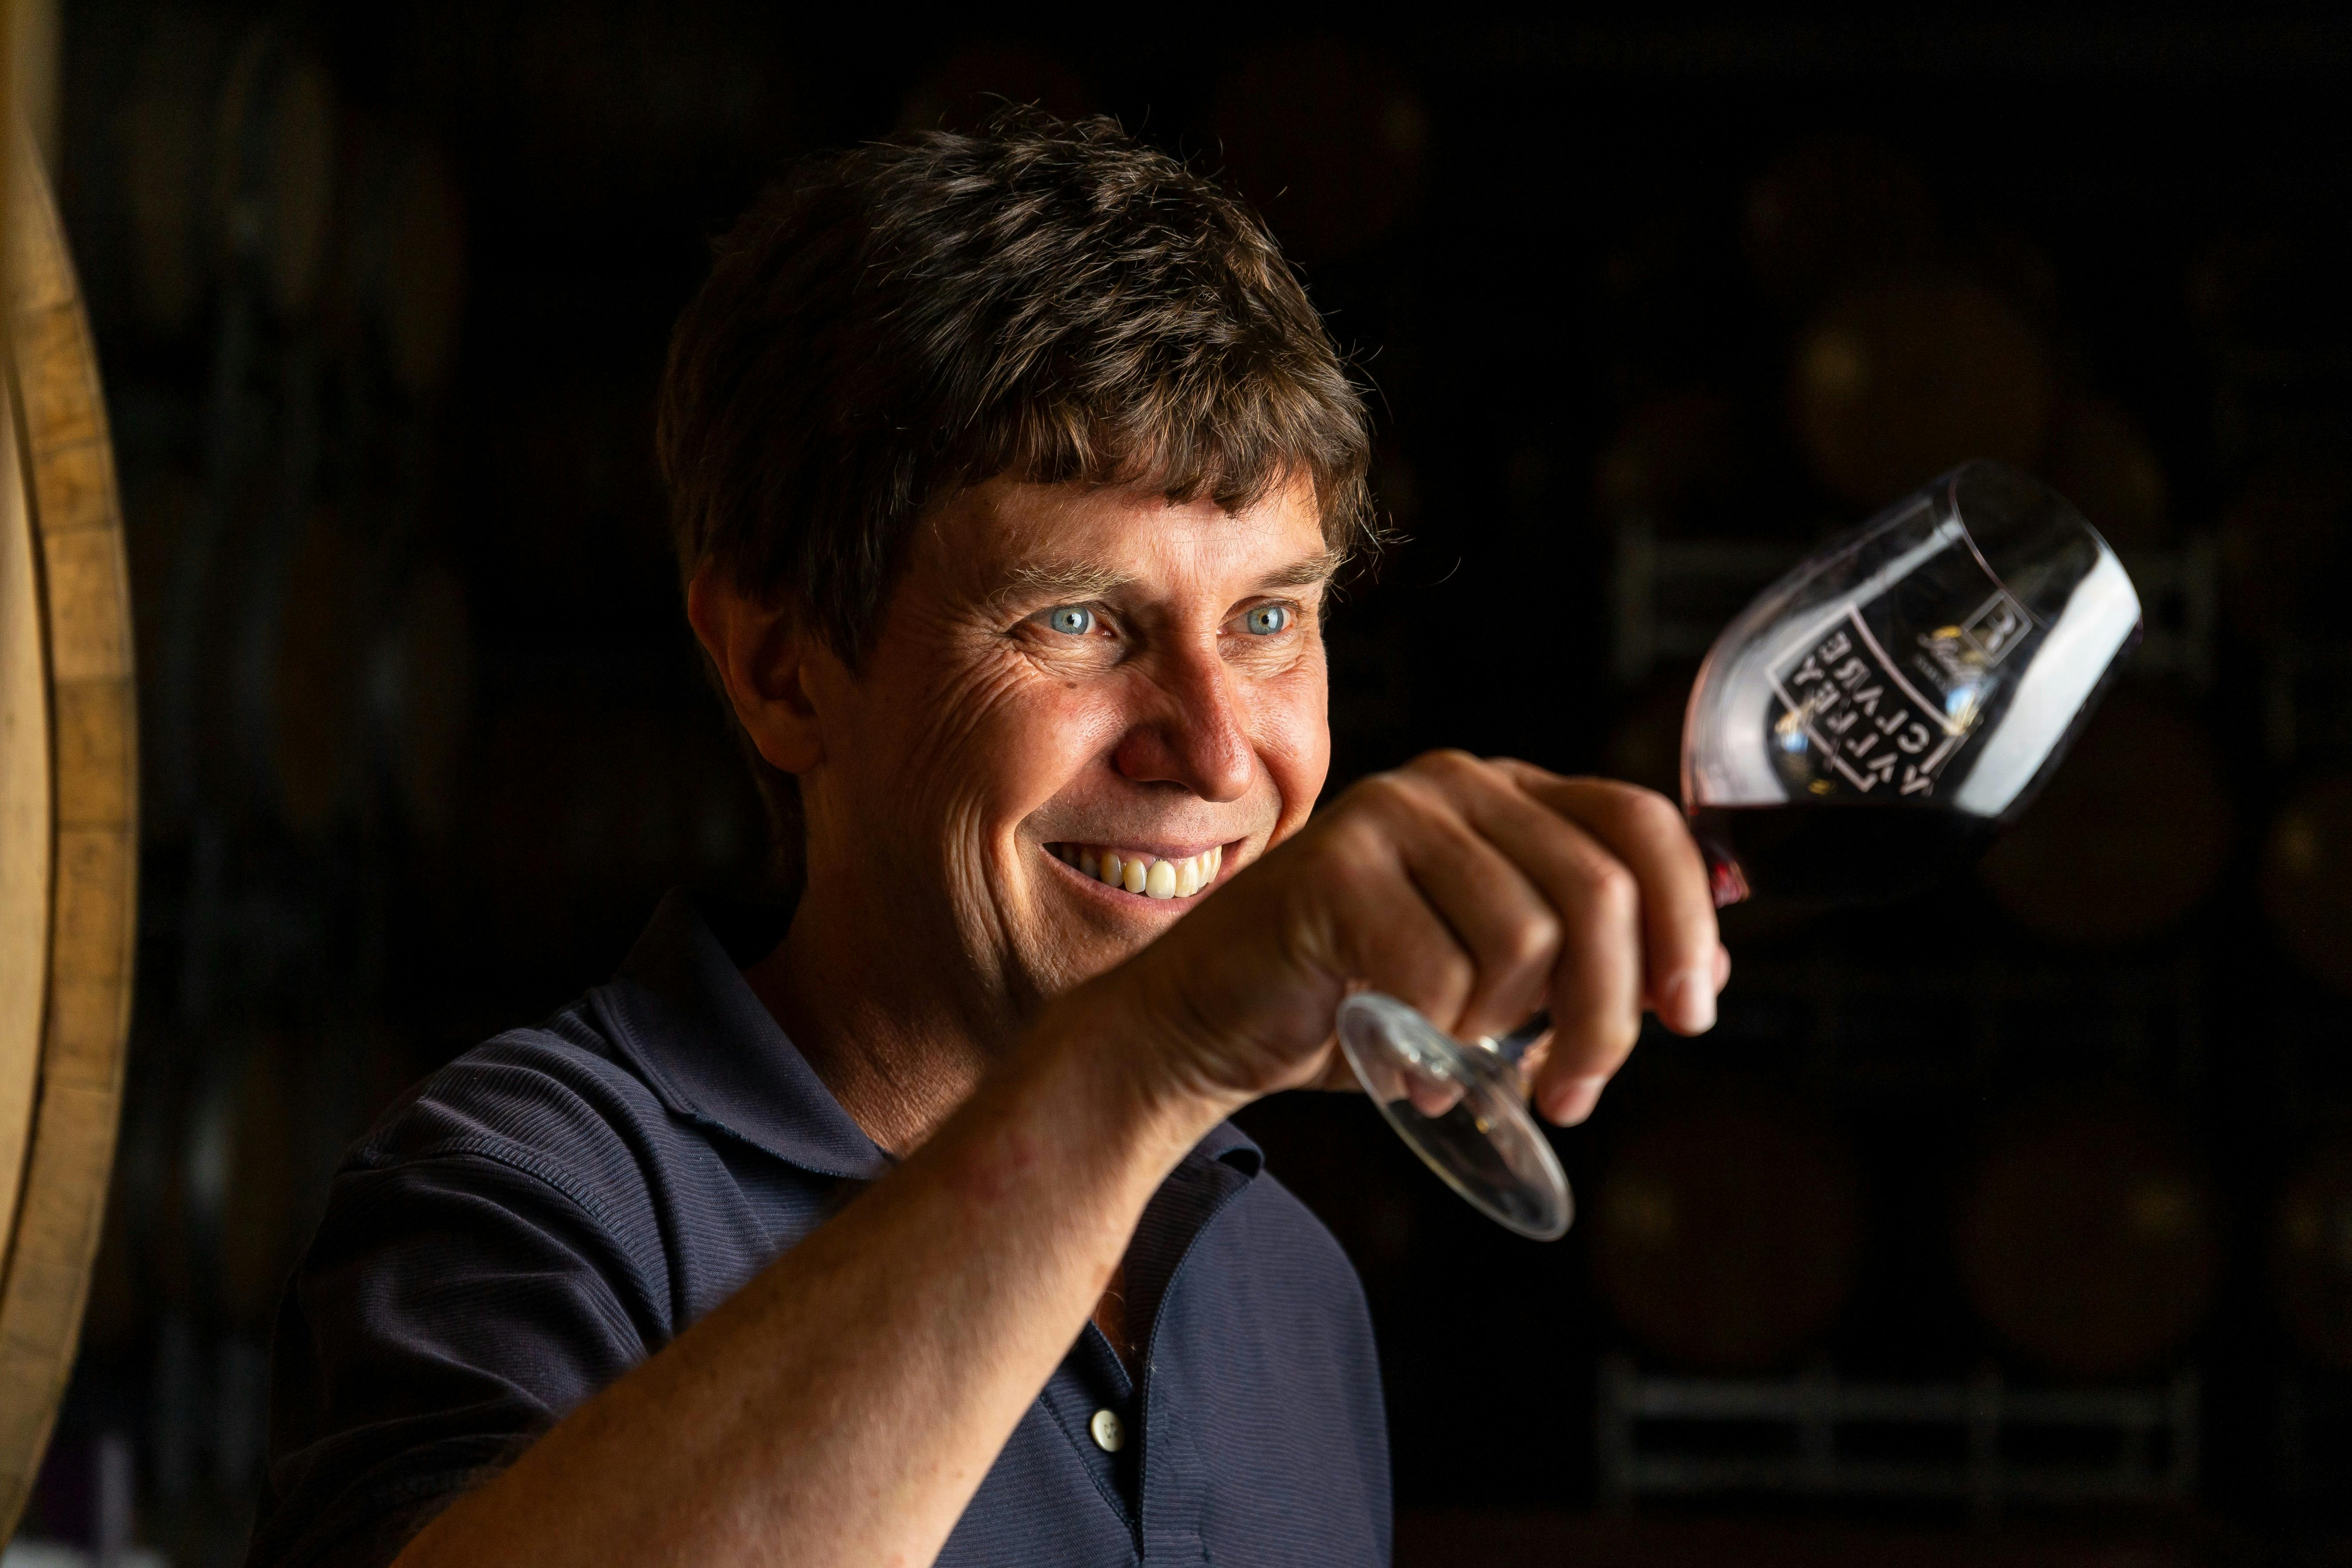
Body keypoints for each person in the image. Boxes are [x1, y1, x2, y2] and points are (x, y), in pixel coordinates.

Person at [244, 114, 1725, 1568]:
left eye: (1267, 619)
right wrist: (1148, 1060)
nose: (1213, 750)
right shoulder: (537, 1194)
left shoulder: (1289, 1287)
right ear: (779, 670)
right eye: (1078, 622)